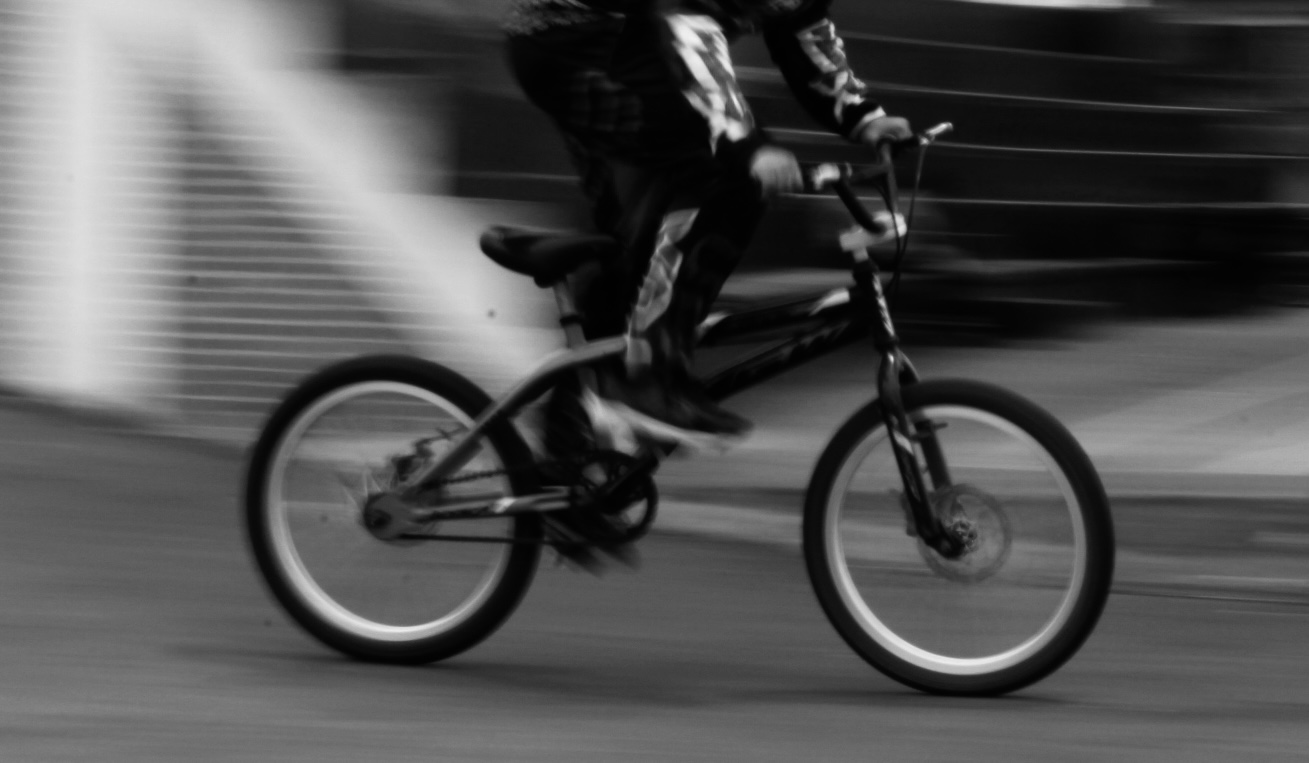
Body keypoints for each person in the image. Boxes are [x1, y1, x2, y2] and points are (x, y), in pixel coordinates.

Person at [503, 0, 912, 454]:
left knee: (634, 242)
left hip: (630, 43)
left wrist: (863, 117)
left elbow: (804, 33)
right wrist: (745, 144)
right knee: (726, 176)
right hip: (580, 38)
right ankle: (643, 379)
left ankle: (568, 432)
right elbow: (685, 31)